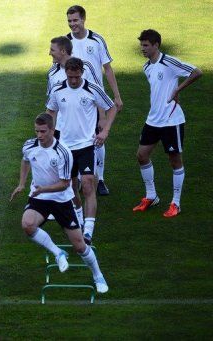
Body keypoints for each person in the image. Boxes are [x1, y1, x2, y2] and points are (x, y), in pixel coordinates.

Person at [10, 113, 108, 294]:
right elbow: (25, 161)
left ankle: (98, 275)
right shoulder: (29, 146)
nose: (39, 135)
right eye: (37, 131)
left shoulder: (63, 152)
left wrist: (42, 190)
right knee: (27, 225)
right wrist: (22, 184)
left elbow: (65, 184)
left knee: (79, 246)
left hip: (61, 200)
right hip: (39, 198)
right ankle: (58, 253)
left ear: (52, 131)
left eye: (43, 131)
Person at [46, 57, 117, 245]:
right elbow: (50, 112)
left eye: (76, 76)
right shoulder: (58, 89)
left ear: (81, 73)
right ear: (66, 74)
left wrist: (105, 131)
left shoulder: (92, 89)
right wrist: (49, 135)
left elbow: (112, 108)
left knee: (87, 184)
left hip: (86, 145)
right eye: (70, 77)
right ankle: (78, 223)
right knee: (70, 188)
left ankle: (88, 231)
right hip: (65, 147)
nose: (74, 80)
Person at [133, 29, 202, 217]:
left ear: (156, 45)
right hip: (153, 120)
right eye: (142, 45)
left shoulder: (169, 62)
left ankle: (175, 203)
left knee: (175, 161)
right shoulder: (147, 67)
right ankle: (151, 196)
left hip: (172, 121)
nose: (143, 49)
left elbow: (197, 72)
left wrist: (177, 89)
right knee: (141, 155)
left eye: (146, 45)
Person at [66, 5, 123, 195]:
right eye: (70, 21)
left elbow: (107, 68)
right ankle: (83, 179)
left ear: (83, 19)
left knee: (99, 136)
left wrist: (116, 96)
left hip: (96, 98)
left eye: (75, 20)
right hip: (75, 97)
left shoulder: (97, 40)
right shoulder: (66, 42)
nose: (72, 24)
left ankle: (100, 180)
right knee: (80, 135)